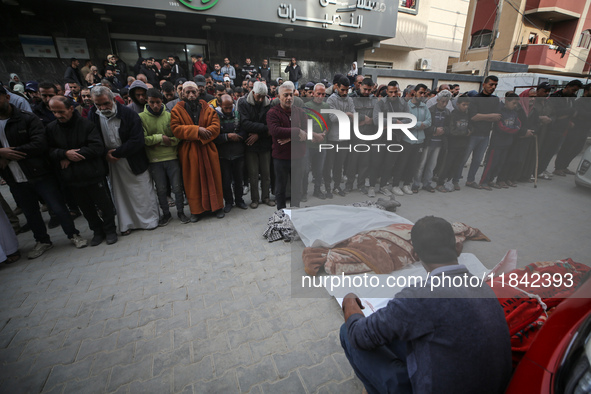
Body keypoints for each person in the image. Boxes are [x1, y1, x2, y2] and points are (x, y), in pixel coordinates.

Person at [340, 216, 512, 394]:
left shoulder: (419, 297)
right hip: (493, 386)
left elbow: (359, 335)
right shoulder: (483, 288)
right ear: (458, 247)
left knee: (348, 332)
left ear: (415, 254)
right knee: (395, 330)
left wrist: (349, 301)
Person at [0, 86, 88, 259]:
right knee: (30, 212)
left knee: (58, 207)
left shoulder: (27, 119)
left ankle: (73, 234)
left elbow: (39, 144)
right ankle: (42, 240)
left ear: (7, 98)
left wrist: (9, 153)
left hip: (39, 173)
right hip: (14, 177)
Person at [46, 96, 118, 246]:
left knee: (104, 205)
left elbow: (97, 147)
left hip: (92, 173)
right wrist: (63, 154)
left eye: (61, 111)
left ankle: (110, 230)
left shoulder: (87, 125)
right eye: (54, 112)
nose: (58, 115)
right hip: (72, 177)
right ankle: (97, 231)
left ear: (71, 109)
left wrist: (73, 155)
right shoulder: (51, 128)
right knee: (86, 208)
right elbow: (48, 150)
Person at [88, 86, 159, 235]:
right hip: (112, 163)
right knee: (120, 194)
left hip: (132, 159)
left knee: (142, 191)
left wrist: (118, 152)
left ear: (113, 99)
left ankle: (149, 221)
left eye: (106, 103)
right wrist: (105, 154)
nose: (103, 107)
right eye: (98, 105)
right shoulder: (93, 115)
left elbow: (137, 140)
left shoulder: (129, 114)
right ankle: (127, 224)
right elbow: (92, 138)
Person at [170, 81, 224, 221]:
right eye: (187, 92)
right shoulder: (177, 109)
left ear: (198, 92)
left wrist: (202, 135)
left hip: (207, 148)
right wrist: (196, 130)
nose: (191, 95)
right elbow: (176, 129)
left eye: (193, 92)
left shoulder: (208, 108)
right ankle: (196, 211)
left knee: (213, 178)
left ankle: (217, 207)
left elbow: (216, 126)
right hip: (190, 151)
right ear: (182, 93)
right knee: (193, 181)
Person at [140, 89, 188, 225]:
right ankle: (166, 214)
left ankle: (181, 212)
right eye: (152, 102)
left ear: (162, 101)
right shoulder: (141, 117)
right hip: (155, 160)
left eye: (158, 102)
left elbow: (177, 137)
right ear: (147, 101)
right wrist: (161, 138)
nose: (155, 105)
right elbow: (144, 140)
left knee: (177, 187)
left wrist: (165, 141)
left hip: (172, 157)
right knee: (161, 189)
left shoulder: (169, 115)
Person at [267, 81, 307, 210]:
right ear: (279, 97)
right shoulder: (273, 113)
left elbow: (307, 133)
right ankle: (281, 215)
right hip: (280, 157)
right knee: (281, 188)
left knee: (296, 188)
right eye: (285, 95)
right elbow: (275, 131)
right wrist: (297, 131)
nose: (289, 98)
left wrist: (289, 137)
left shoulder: (300, 112)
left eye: (291, 95)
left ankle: (296, 213)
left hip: (298, 156)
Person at [460, 76, 501, 190]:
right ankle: (455, 179)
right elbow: (473, 117)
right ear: (484, 85)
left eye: (495, 85)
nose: (493, 87)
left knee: (477, 160)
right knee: (463, 159)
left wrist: (483, 117)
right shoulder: (475, 99)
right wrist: (490, 116)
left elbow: (497, 117)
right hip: (473, 134)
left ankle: (470, 180)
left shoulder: (495, 99)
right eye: (491, 84)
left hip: (485, 134)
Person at [238, 81, 274, 209]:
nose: (260, 99)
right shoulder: (243, 102)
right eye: (258, 96)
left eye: (263, 96)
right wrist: (264, 129)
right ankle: (254, 199)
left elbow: (271, 126)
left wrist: (259, 134)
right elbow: (245, 124)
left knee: (266, 173)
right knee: (253, 174)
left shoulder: (268, 103)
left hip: (264, 142)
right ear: (253, 93)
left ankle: (266, 197)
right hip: (250, 143)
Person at [370, 80, 409, 197]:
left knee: (389, 164)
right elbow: (376, 120)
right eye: (391, 92)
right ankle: (371, 186)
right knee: (376, 163)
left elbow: (409, 119)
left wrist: (388, 123)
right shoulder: (381, 103)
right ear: (387, 91)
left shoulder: (403, 104)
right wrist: (396, 121)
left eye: (395, 92)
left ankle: (383, 186)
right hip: (380, 138)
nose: (393, 94)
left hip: (395, 138)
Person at [391, 84, 431, 196]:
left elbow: (429, 122)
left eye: (424, 93)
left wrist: (415, 124)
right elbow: (405, 121)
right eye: (421, 92)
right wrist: (419, 124)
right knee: (401, 163)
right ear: (414, 92)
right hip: (406, 140)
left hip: (419, 141)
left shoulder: (424, 107)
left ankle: (407, 184)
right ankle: (395, 185)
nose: (422, 95)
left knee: (413, 164)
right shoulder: (406, 106)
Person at [479, 93, 521, 190]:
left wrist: (512, 129)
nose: (515, 105)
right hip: (497, 143)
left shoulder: (514, 113)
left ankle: (491, 180)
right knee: (491, 163)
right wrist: (512, 129)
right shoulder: (499, 111)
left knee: (499, 163)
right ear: (507, 101)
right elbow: (501, 127)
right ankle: (484, 181)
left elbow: (518, 125)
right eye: (513, 103)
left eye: (516, 104)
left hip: (507, 143)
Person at [497, 89, 538, 187]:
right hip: (515, 137)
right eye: (530, 96)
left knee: (519, 160)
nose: (532, 99)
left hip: (527, 138)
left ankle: (511, 178)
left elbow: (536, 124)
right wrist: (524, 132)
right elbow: (515, 124)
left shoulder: (534, 110)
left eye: (534, 97)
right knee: (509, 159)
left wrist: (531, 132)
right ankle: (502, 178)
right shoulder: (517, 109)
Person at [214, 94, 248, 213]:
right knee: (226, 180)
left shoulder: (237, 114)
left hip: (238, 153)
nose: (229, 110)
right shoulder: (215, 116)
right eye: (226, 108)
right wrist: (227, 136)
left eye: (230, 107)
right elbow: (214, 135)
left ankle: (239, 200)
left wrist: (239, 136)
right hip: (223, 155)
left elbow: (244, 130)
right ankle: (228, 201)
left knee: (239, 179)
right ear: (220, 105)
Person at [414, 90, 451, 193]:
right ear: (437, 100)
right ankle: (416, 184)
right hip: (428, 141)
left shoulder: (447, 113)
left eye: (446, 102)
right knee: (421, 165)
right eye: (442, 101)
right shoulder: (429, 110)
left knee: (432, 165)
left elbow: (449, 127)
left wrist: (443, 130)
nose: (444, 104)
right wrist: (434, 130)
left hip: (439, 143)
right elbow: (425, 125)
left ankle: (427, 184)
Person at [325, 76, 355, 198]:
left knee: (339, 165)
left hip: (344, 138)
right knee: (329, 165)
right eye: (342, 89)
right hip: (332, 138)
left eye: (346, 90)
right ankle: (327, 188)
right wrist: (347, 114)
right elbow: (332, 118)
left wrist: (346, 115)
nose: (344, 92)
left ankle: (337, 187)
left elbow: (354, 116)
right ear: (337, 87)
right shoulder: (331, 100)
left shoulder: (350, 100)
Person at [345, 77, 376, 194]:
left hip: (369, 135)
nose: (367, 92)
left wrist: (370, 120)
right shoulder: (351, 98)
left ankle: (361, 184)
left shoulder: (374, 100)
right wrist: (362, 119)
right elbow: (348, 115)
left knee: (365, 162)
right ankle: (349, 184)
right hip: (354, 135)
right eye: (365, 89)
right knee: (352, 162)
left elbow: (377, 117)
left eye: (369, 90)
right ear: (360, 86)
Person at [553, 82, 589, 176]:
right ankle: (558, 167)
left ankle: (565, 166)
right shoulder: (579, 101)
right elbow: (579, 113)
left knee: (577, 149)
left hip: (585, 129)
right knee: (568, 147)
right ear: (586, 91)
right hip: (575, 128)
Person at [437, 95, 471, 191]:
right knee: (447, 164)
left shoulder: (467, 115)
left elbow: (470, 127)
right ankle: (440, 182)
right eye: (463, 105)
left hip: (463, 144)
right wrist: (465, 133)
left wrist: (470, 131)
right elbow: (452, 131)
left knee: (457, 164)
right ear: (457, 104)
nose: (465, 107)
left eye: (467, 105)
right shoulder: (453, 115)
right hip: (452, 144)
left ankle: (450, 181)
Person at [303, 83, 330, 200]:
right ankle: (303, 193)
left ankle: (317, 190)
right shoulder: (306, 106)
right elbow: (304, 125)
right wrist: (313, 136)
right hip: (308, 144)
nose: (320, 96)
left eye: (323, 94)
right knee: (305, 170)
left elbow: (328, 125)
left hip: (322, 144)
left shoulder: (327, 106)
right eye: (318, 93)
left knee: (319, 169)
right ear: (313, 93)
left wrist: (323, 134)